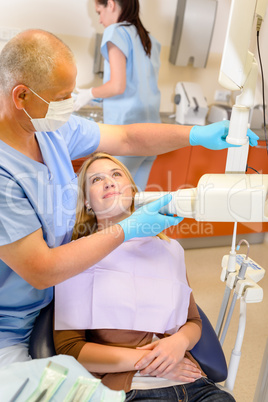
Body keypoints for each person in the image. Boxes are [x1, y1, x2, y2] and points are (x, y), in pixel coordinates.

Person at [0, 28, 258, 367]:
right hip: (12, 325)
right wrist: (128, 229)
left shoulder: (50, 130)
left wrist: (195, 134)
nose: (70, 103)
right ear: (22, 96)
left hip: (55, 298)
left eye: (117, 174)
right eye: (62, 96)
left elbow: (127, 138)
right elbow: (42, 271)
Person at [54, 152, 235, 402]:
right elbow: (70, 348)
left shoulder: (168, 249)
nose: (109, 181)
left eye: (117, 174)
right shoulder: (75, 256)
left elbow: (193, 320)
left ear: (133, 191)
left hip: (193, 383)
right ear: (86, 201)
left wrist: (178, 343)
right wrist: (153, 360)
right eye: (96, 179)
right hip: (132, 389)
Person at [73, 0, 162, 190]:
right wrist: (95, 96)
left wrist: (89, 93)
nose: (99, 20)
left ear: (111, 4)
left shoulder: (116, 31)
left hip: (127, 136)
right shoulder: (149, 39)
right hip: (153, 134)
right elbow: (136, 86)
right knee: (133, 199)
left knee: (112, 202)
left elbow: (117, 86)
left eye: (99, 12)